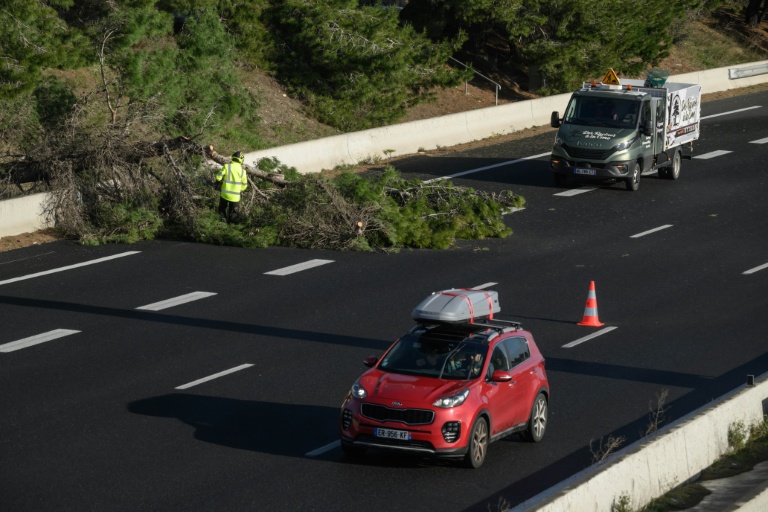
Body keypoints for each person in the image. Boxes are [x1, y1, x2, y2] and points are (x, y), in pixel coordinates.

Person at [215, 151, 248, 223]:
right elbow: (244, 186)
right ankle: (232, 229)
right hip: (235, 197)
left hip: (224, 194)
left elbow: (218, 176)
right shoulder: (243, 171)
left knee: (222, 209)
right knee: (234, 214)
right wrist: (238, 189)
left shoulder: (227, 166)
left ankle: (222, 224)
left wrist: (219, 182)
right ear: (241, 160)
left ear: (232, 158)